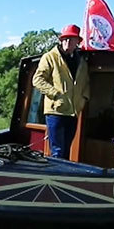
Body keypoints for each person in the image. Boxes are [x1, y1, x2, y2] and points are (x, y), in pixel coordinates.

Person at [33, 24, 90, 159]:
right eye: (65, 39)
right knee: (57, 151)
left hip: (73, 113)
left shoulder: (81, 61)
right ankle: (55, 178)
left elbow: (86, 83)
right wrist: (56, 95)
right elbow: (37, 80)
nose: (67, 42)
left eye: (71, 39)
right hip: (55, 112)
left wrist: (83, 100)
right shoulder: (50, 57)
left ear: (78, 42)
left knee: (66, 150)